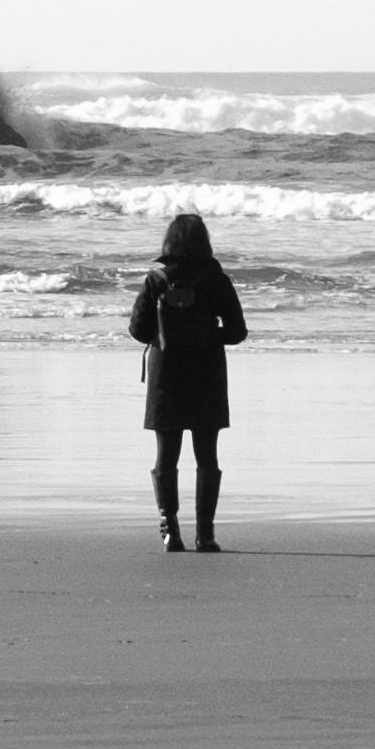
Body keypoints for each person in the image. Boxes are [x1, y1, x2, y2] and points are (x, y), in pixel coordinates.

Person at [129, 207, 246, 552]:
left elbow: (137, 330)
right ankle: (205, 534)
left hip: (166, 374)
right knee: (206, 456)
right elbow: (238, 332)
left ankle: (170, 532)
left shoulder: (156, 280)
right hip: (206, 372)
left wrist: (166, 337)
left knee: (167, 456)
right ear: (205, 242)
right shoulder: (215, 279)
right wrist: (208, 335)